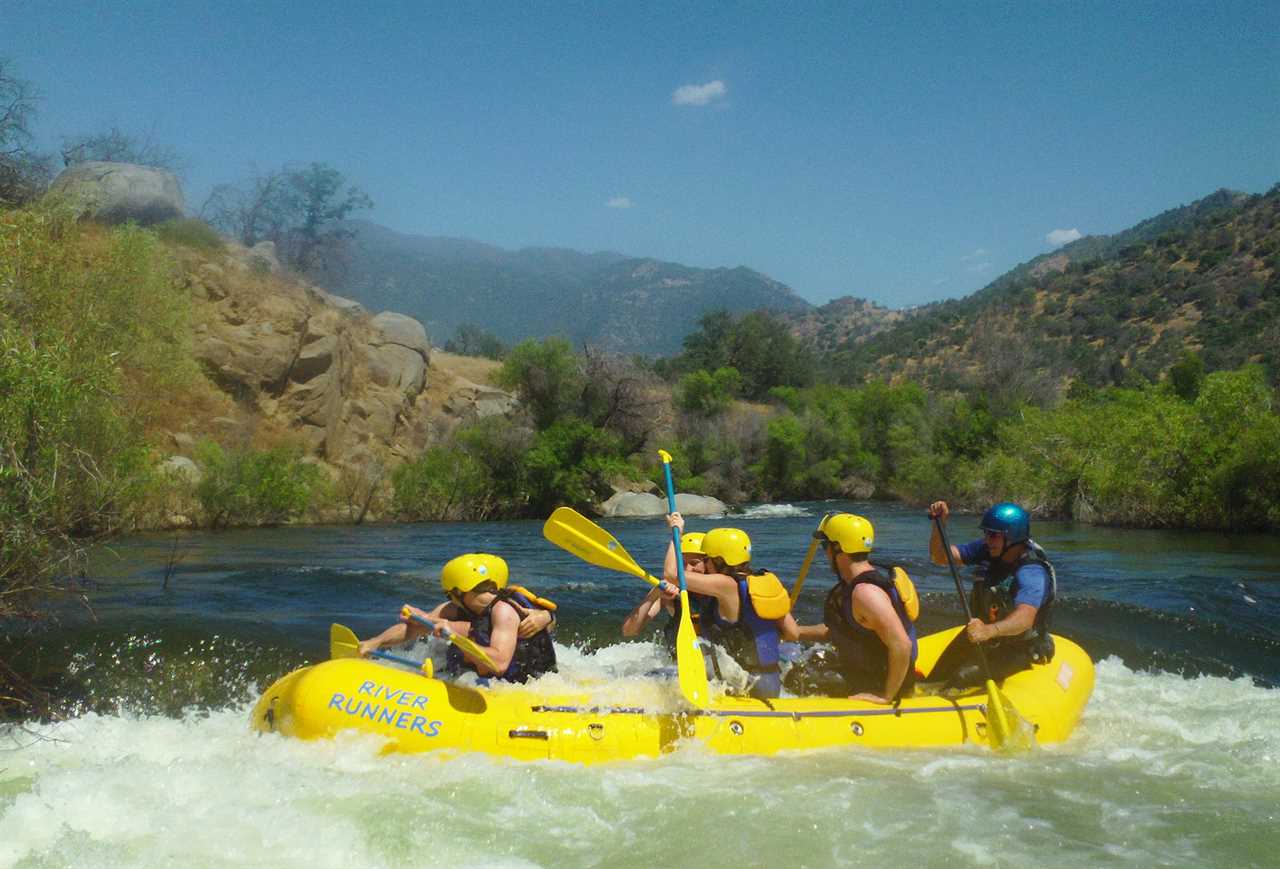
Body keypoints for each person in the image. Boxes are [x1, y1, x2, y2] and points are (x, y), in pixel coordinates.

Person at [358, 553, 557, 683]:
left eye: (449, 594)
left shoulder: (503, 612)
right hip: (484, 679)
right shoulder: (454, 608)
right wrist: (375, 642)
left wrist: (454, 634)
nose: (449, 599)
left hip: (526, 683)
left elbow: (501, 662)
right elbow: (415, 627)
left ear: (459, 592)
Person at [926, 500, 1057, 689]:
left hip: (1020, 647)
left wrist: (988, 631)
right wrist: (940, 525)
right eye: (986, 533)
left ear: (1012, 538)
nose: (987, 539)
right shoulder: (989, 549)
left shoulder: (1031, 571)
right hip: (985, 636)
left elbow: (1025, 618)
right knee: (936, 677)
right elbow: (940, 556)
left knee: (961, 678)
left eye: (993, 535)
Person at [792, 513, 920, 704]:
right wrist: (797, 632)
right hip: (870, 670)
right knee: (808, 664)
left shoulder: (866, 593)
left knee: (798, 679)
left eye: (825, 546)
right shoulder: (855, 584)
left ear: (837, 548)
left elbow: (902, 645)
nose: (825, 552)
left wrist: (886, 696)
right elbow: (844, 629)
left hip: (880, 683)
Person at [680, 520, 800, 699]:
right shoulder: (765, 582)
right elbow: (792, 633)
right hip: (771, 684)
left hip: (744, 687)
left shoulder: (725, 584)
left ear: (719, 560)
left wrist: (676, 534)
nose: (705, 566)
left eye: (706, 560)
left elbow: (672, 575)